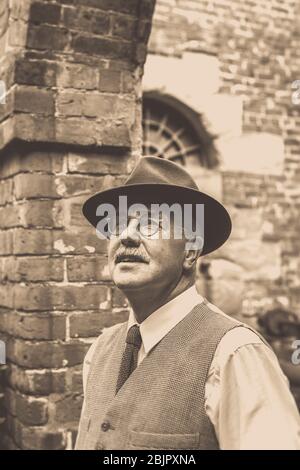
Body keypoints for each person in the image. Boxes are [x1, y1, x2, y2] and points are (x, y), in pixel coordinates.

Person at [75, 156, 300, 450]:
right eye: (117, 225)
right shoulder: (100, 351)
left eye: (150, 225)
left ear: (190, 252)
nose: (127, 236)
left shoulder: (233, 355)